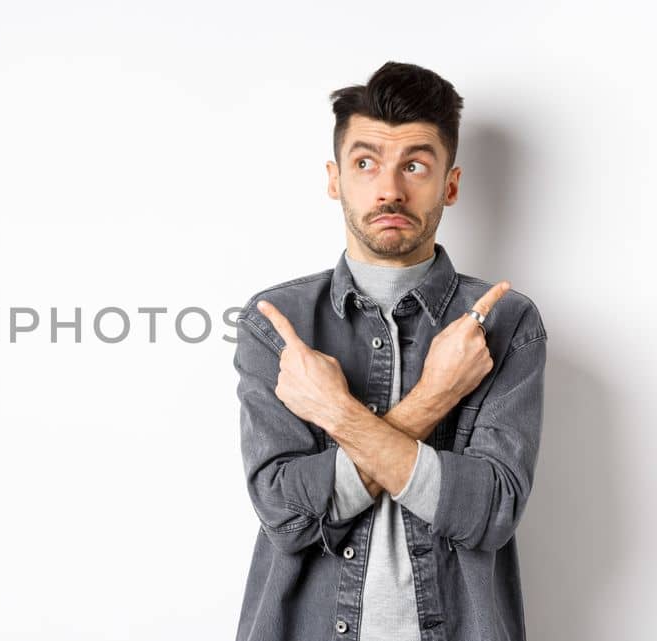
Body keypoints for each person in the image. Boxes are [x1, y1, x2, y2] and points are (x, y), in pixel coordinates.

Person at [232, 61, 548, 641]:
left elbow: (489, 513)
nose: (390, 189)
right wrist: (436, 397)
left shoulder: (506, 323)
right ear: (335, 178)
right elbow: (286, 518)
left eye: (416, 165)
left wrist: (335, 413)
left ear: (450, 183)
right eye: (365, 162)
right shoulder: (278, 325)